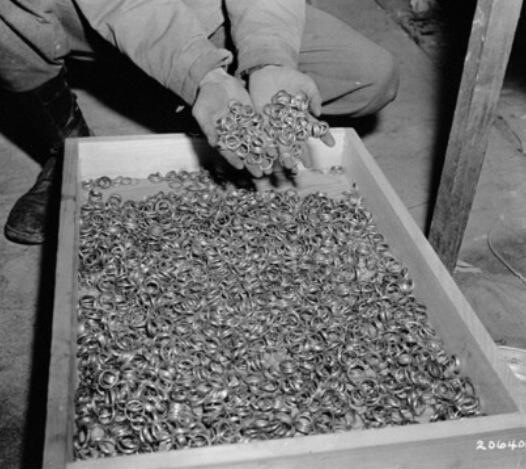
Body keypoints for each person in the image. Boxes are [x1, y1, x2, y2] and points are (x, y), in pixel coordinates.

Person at [0, 0, 398, 245]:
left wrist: (269, 59)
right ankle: (64, 149)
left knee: (369, 75)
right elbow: (122, 5)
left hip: (202, 13)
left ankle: (187, 94)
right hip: (83, 19)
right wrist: (201, 73)